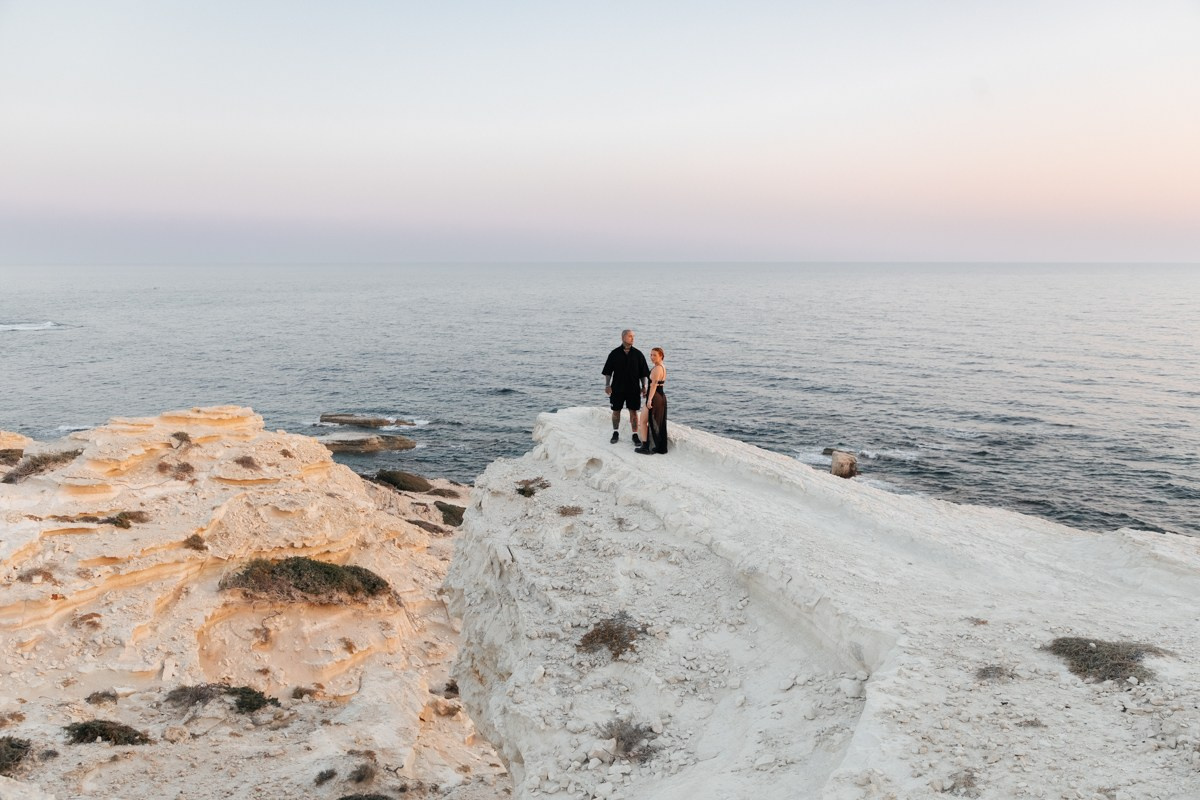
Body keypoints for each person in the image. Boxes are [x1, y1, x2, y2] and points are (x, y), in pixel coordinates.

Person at [602, 329, 650, 445]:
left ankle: (634, 435)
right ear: (623, 337)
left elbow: (643, 373)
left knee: (633, 412)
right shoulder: (614, 353)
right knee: (616, 411)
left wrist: (644, 387)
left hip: (633, 389)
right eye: (630, 336)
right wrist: (607, 385)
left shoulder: (638, 354)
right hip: (617, 388)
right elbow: (608, 371)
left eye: (633, 336)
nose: (632, 338)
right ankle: (615, 432)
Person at [635, 347, 667, 455]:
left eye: (655, 355)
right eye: (651, 355)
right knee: (651, 421)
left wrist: (649, 400)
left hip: (655, 397)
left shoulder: (657, 368)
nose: (652, 357)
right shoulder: (661, 367)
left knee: (643, 421)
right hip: (660, 396)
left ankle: (645, 447)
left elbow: (653, 385)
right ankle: (648, 445)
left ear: (661, 356)